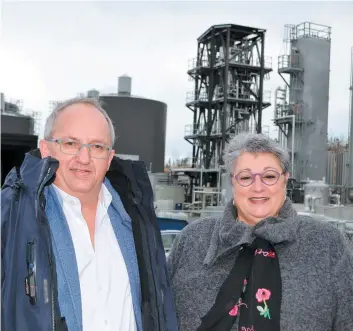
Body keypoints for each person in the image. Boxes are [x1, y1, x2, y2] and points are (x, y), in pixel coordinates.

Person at [1, 97, 178, 331]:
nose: (83, 158)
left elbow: (160, 308)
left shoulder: (136, 219)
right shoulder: (13, 216)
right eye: (71, 143)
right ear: (46, 149)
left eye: (97, 146)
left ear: (109, 158)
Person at [167, 133, 353, 331]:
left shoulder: (327, 245)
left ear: (285, 180)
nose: (258, 187)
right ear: (233, 182)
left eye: (269, 176)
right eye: (246, 177)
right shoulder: (191, 240)